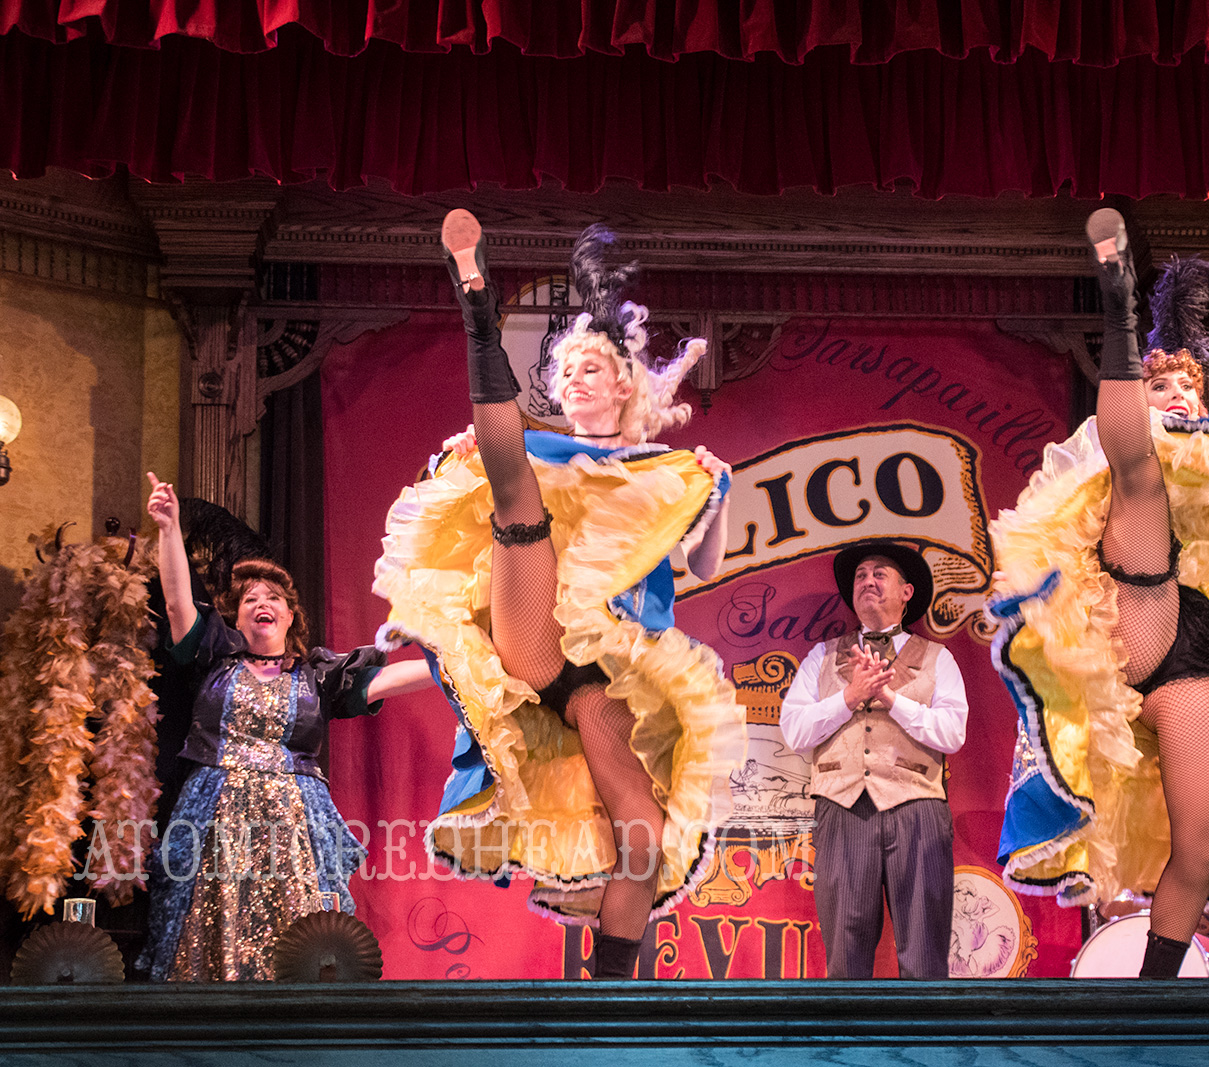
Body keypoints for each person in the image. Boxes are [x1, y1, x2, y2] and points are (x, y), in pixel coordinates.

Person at [372, 214, 747, 978]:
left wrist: (719, 493)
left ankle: (610, 1001)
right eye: (564, 372)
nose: (572, 381)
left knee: (641, 833)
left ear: (624, 385)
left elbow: (704, 564)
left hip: (598, 682)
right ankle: (476, 303)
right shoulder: (529, 447)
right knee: (517, 497)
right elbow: (500, 461)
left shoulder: (660, 475)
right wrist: (468, 454)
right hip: (536, 638)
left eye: (588, 370)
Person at [987, 210, 1209, 976]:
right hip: (1134, 614)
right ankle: (1116, 294)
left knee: (1200, 843)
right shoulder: (1135, 462)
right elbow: (1128, 445)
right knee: (1143, 477)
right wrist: (1123, 319)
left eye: (1188, 384)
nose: (1179, 395)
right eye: (1160, 384)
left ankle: (1156, 988)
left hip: (1198, 659)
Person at [140, 472, 434, 981]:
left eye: (272, 597)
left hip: (293, 825)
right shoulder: (214, 655)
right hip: (214, 816)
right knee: (206, 927)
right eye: (250, 598)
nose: (261, 603)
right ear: (237, 616)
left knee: (298, 930)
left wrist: (456, 664)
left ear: (289, 614)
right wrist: (169, 530)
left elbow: (389, 679)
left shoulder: (317, 676)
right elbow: (176, 604)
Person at [778, 541, 968, 978]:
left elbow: (952, 733)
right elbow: (795, 730)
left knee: (923, 948)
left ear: (907, 592)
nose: (867, 580)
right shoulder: (821, 658)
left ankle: (925, 1045)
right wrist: (849, 697)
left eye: (880, 573)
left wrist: (889, 698)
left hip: (917, 808)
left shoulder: (940, 658)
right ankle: (847, 1046)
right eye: (861, 575)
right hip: (842, 809)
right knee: (845, 951)